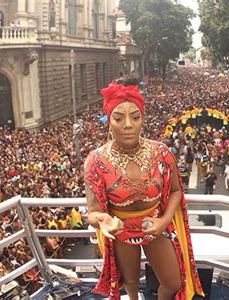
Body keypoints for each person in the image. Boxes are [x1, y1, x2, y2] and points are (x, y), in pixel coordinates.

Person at [84, 78, 203, 300]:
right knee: (129, 281)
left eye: (135, 117)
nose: (128, 124)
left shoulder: (161, 152)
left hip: (155, 225)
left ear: (143, 120)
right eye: (119, 118)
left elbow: (177, 190)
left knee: (173, 282)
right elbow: (92, 211)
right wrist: (102, 219)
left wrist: (164, 222)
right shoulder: (95, 161)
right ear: (109, 120)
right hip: (121, 231)